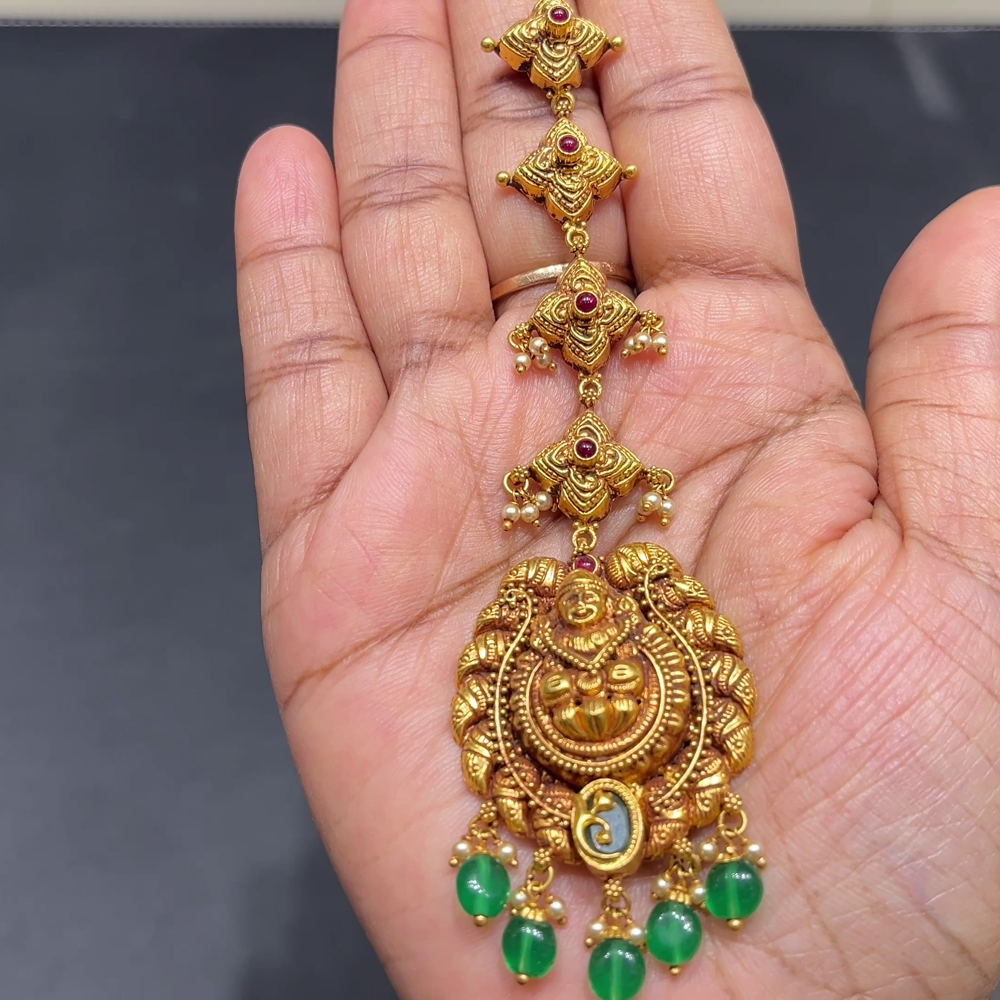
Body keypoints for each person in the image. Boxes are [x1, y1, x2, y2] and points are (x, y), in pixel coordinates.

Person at [233, 0, 1000, 996]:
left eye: (601, 683)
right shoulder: (558, 660)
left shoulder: (646, 658)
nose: (592, 689)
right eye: (578, 686)